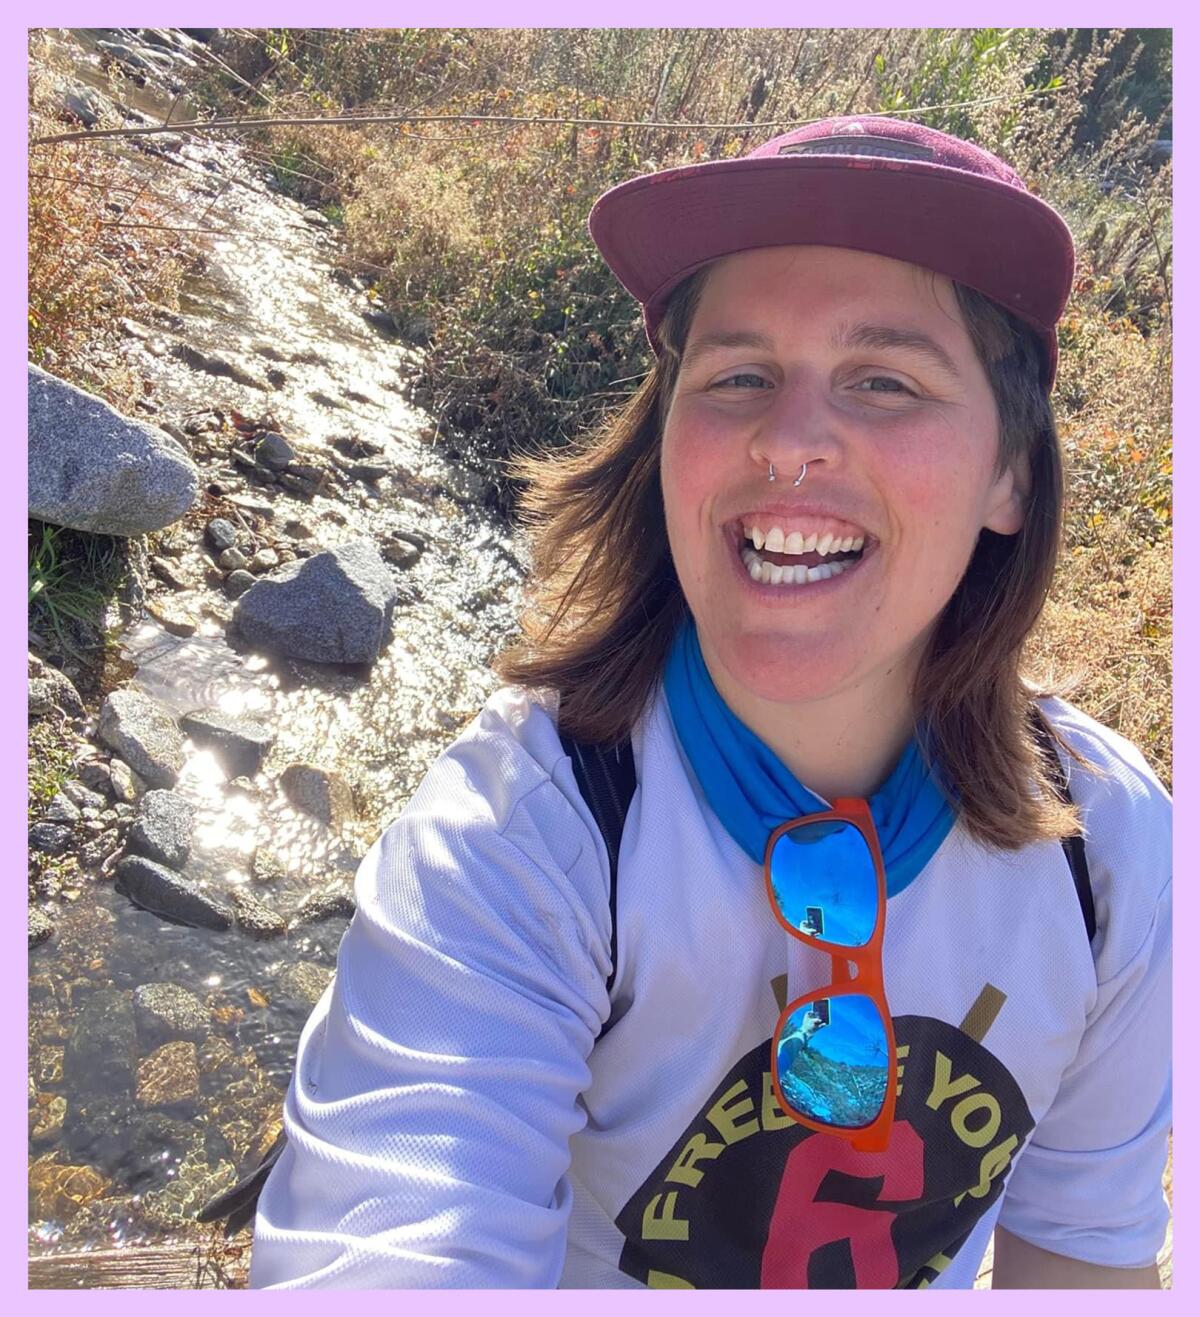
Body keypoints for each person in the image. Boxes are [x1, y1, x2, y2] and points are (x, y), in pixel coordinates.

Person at [248, 116, 1171, 1290]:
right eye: (737, 375)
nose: (788, 444)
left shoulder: (1110, 851)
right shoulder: (525, 833)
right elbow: (393, 1233)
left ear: (1011, 474)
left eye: (884, 381)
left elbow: (1086, 1252)